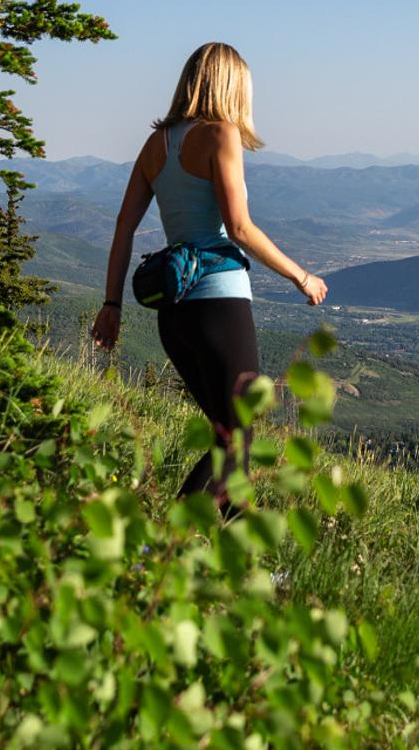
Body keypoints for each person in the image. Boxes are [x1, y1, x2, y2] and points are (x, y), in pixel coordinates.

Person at [91, 43, 328, 505]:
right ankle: (165, 545)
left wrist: (111, 304)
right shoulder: (221, 135)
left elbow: (124, 228)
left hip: (173, 312)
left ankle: (235, 563)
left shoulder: (156, 144)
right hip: (220, 302)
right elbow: (239, 227)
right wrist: (301, 277)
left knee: (230, 436)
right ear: (233, 87)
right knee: (235, 436)